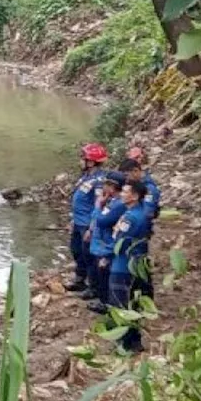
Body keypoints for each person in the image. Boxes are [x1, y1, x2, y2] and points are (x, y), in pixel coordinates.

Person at [105, 178, 154, 353]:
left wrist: (105, 255)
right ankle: (134, 341)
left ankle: (125, 344)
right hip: (137, 265)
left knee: (121, 304)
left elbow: (121, 242)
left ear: (133, 196)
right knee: (134, 303)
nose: (121, 194)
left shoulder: (131, 217)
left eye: (125, 192)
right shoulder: (141, 214)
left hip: (123, 267)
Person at [67, 142, 110, 292]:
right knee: (76, 250)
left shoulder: (99, 181)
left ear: (91, 162)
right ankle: (80, 280)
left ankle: (94, 287)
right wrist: (73, 219)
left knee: (90, 256)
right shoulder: (85, 177)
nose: (80, 161)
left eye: (83, 158)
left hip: (88, 223)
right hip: (78, 221)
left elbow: (98, 205)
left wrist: (92, 228)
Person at [84, 172, 125, 313]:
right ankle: (103, 301)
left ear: (114, 187)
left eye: (107, 185)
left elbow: (101, 221)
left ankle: (106, 304)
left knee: (105, 277)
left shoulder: (118, 205)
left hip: (106, 246)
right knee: (101, 276)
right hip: (101, 244)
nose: (104, 187)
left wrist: (97, 206)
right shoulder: (111, 201)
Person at [123, 149, 161, 220]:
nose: (126, 179)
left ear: (135, 171)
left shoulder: (149, 189)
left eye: (127, 175)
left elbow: (148, 213)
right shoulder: (136, 184)